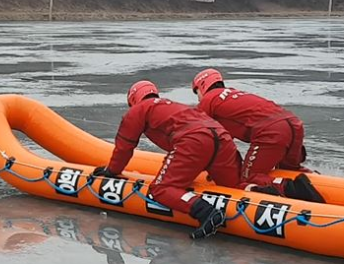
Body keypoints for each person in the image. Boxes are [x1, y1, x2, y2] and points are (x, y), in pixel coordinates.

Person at [91, 80, 242, 239]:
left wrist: (112, 170)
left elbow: (124, 148)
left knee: (161, 189)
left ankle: (206, 212)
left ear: (133, 100)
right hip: (223, 139)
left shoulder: (138, 110)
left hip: (194, 140)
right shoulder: (174, 106)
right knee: (233, 187)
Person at [191, 68, 323, 202]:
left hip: (272, 131)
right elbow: (224, 140)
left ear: (202, 86)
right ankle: (319, 185)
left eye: (197, 93)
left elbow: (194, 137)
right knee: (290, 169)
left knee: (248, 177)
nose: (198, 97)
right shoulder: (234, 96)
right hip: (293, 124)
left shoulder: (208, 101)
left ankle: (288, 187)